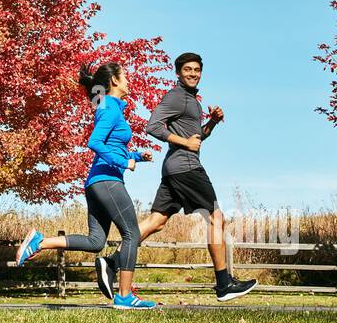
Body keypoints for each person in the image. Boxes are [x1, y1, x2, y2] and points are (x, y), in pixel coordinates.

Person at [96, 52, 256, 303]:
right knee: (216, 219)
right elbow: (153, 126)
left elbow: (197, 139)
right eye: (187, 70)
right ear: (178, 73)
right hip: (186, 168)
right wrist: (184, 142)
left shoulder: (193, 101)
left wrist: (211, 123)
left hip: (174, 169)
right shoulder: (176, 96)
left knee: (156, 222)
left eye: (196, 70)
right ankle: (224, 283)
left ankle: (113, 262)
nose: (193, 74)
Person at [15, 60, 157, 309]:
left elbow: (111, 144)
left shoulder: (109, 107)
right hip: (107, 181)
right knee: (132, 234)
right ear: (114, 81)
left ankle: (40, 242)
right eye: (125, 76)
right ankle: (124, 296)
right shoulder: (110, 109)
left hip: (96, 182)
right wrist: (124, 163)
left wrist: (135, 156)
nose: (128, 80)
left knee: (96, 242)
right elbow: (95, 142)